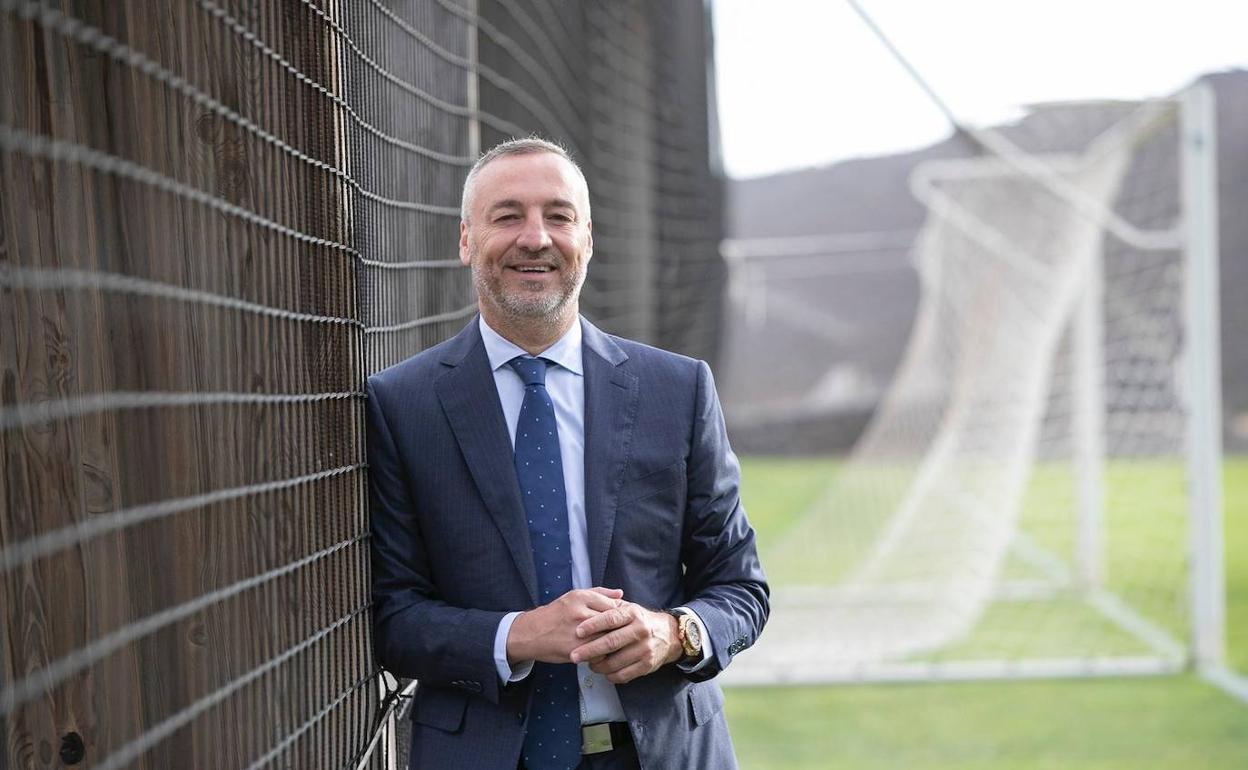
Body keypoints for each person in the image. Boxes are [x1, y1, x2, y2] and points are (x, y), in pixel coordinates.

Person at [367, 137, 768, 770]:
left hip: (666, 754)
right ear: (466, 240)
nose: (535, 238)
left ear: (587, 239)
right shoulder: (402, 404)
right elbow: (394, 616)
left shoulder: (678, 389)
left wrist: (674, 633)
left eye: (558, 216)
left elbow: (740, 586)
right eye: (508, 216)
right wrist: (520, 635)